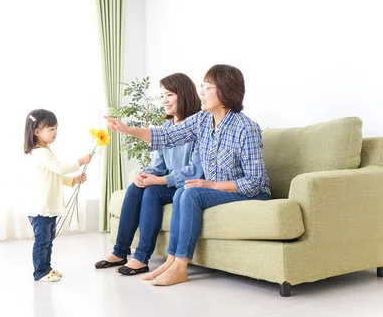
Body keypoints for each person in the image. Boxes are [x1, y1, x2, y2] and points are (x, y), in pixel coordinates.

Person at [105, 64, 271, 286]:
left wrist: (210, 185)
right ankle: (171, 260)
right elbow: (166, 136)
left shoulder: (246, 128)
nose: (200, 92)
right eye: (202, 86)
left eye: (207, 87)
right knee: (183, 191)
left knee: (191, 194)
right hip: (218, 188)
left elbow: (254, 183)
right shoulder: (203, 120)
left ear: (225, 91)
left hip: (249, 193)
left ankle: (181, 266)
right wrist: (127, 129)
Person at [95, 73, 204, 276]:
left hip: (189, 185)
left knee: (152, 192)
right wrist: (144, 175)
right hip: (170, 183)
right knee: (137, 187)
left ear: (185, 94)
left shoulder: (198, 126)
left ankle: (141, 258)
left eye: (169, 95)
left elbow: (197, 170)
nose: (164, 101)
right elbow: (158, 164)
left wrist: (160, 180)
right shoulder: (166, 127)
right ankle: (120, 251)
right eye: (162, 95)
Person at [24, 109, 92, 282]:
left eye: (56, 128)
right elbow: (59, 168)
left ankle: (46, 268)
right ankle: (40, 272)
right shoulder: (39, 152)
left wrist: (72, 181)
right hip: (41, 207)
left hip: (48, 206)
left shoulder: (46, 151)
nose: (55, 132)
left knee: (48, 240)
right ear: (37, 132)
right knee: (42, 241)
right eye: (51, 129)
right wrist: (80, 162)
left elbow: (55, 175)